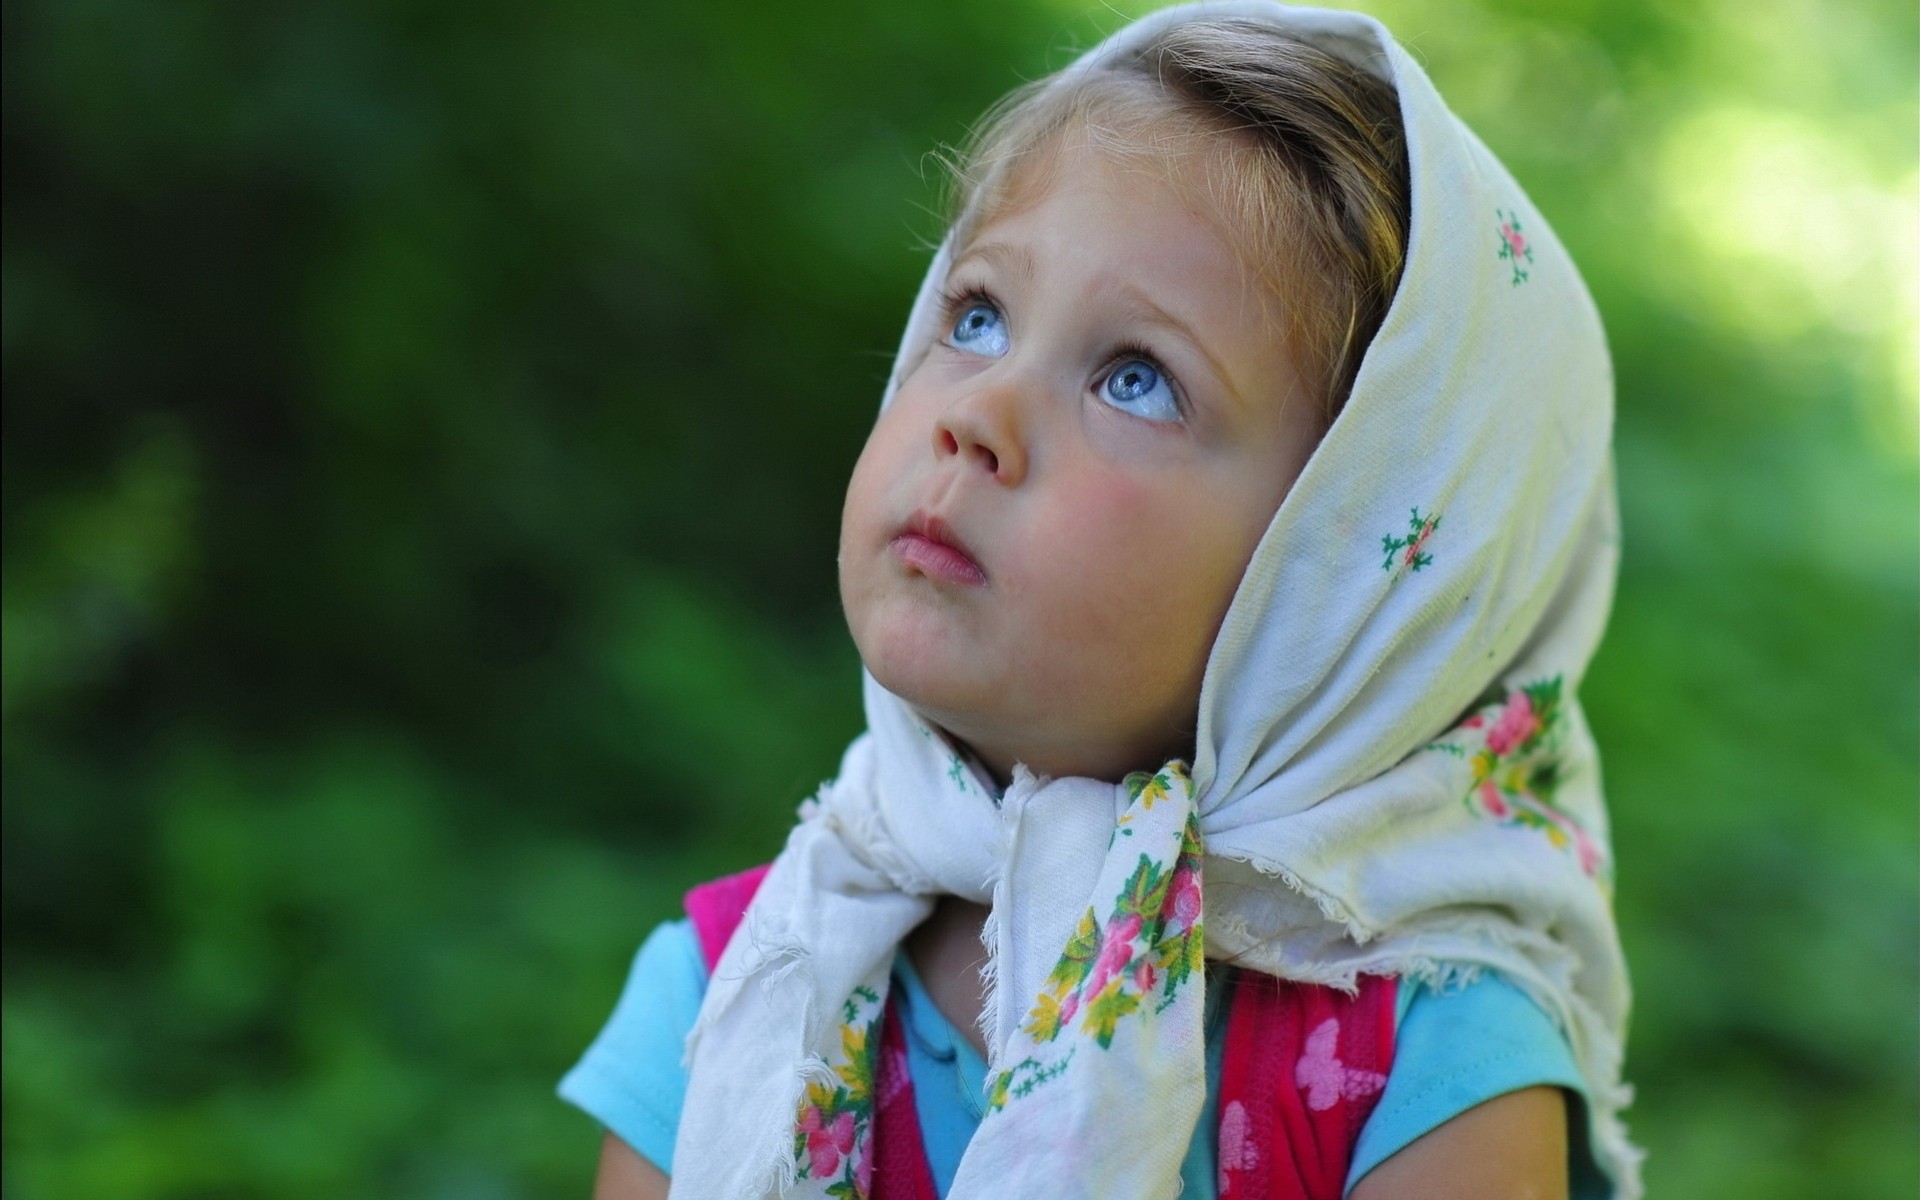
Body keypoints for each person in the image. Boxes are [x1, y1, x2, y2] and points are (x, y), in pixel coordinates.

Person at [560, 4, 1638, 1197]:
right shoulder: (742, 997)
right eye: (976, 317)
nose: (979, 415)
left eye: (1135, 380)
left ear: (1353, 588)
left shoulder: (1428, 1065)